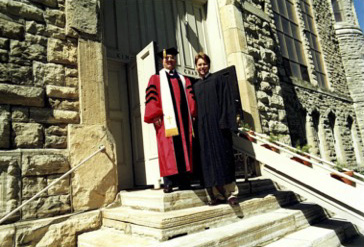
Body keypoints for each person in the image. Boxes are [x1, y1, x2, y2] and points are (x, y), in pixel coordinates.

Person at [144, 47, 196, 193]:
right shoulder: (156, 78)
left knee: (185, 148)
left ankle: (184, 182)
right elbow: (152, 98)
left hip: (184, 122)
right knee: (167, 151)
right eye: (167, 58)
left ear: (175, 60)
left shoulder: (183, 79)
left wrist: (192, 113)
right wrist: (155, 115)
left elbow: (191, 98)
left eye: (172, 58)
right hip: (166, 122)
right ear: (162, 61)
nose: (169, 60)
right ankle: (168, 182)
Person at [193, 52, 239, 206]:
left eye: (204, 64)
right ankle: (218, 195)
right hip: (203, 130)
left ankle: (231, 193)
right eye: (199, 64)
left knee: (223, 158)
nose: (202, 67)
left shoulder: (218, 80)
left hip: (219, 126)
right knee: (209, 161)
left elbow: (227, 102)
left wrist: (225, 122)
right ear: (196, 67)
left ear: (208, 65)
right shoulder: (196, 86)